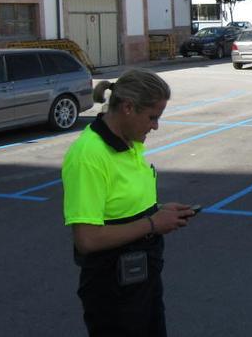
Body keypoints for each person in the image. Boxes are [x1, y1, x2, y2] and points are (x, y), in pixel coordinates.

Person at [62, 69, 194, 337]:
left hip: (140, 278)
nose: (155, 126)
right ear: (128, 108)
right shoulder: (89, 156)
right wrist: (152, 223)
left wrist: (157, 211)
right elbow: (87, 239)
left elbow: (121, 207)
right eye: (152, 117)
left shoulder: (130, 142)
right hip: (113, 289)